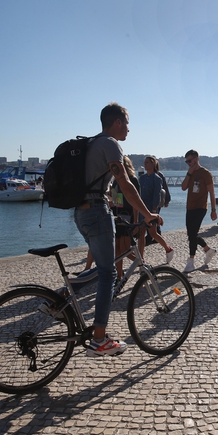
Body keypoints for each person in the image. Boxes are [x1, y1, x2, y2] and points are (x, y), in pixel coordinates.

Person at [74, 102, 161, 356]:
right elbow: (125, 183)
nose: (129, 129)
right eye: (127, 123)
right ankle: (99, 339)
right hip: (97, 211)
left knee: (101, 268)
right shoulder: (110, 144)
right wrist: (148, 214)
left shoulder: (91, 143)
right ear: (118, 122)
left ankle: (60, 299)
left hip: (81, 212)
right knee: (109, 273)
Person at [181, 149, 217, 273]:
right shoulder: (190, 173)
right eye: (186, 162)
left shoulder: (205, 173)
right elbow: (183, 187)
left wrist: (213, 210)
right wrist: (189, 173)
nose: (188, 163)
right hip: (189, 207)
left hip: (201, 207)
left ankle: (191, 261)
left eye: (190, 161)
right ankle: (208, 249)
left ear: (196, 159)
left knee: (192, 234)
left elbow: (212, 192)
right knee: (191, 234)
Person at [138, 155, 175, 263]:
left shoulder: (157, 178)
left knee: (153, 233)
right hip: (142, 208)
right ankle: (141, 258)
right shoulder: (142, 178)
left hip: (151, 209)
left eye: (147, 162)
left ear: (153, 164)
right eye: (144, 162)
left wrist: (154, 210)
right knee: (141, 233)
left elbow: (157, 195)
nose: (145, 164)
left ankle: (168, 249)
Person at [110, 156, 140, 279]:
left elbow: (136, 202)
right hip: (116, 216)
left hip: (128, 217)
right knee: (117, 248)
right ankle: (118, 274)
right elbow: (115, 200)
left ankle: (141, 263)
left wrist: (136, 221)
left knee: (125, 249)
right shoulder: (116, 181)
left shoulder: (133, 180)